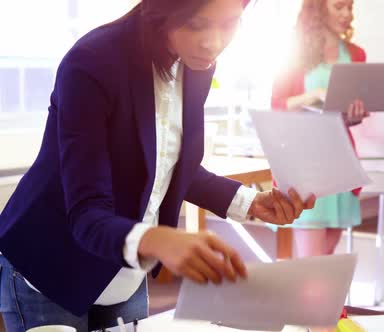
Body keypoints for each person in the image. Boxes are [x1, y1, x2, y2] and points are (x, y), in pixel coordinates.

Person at [0, 1, 316, 331]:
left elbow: (170, 165)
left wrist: (250, 201)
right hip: (53, 265)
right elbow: (86, 212)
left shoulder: (198, 62)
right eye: (197, 24)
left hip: (126, 272)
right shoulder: (93, 62)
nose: (214, 42)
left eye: (230, 23)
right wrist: (161, 241)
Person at [271, 0, 369, 258]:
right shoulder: (296, 53)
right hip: (306, 164)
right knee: (312, 262)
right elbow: (277, 105)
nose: (347, 14)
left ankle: (321, 301)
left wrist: (355, 115)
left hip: (341, 161)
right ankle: (307, 300)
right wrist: (313, 95)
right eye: (339, 7)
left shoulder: (356, 54)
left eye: (350, 7)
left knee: (326, 257)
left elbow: (344, 118)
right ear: (318, 9)